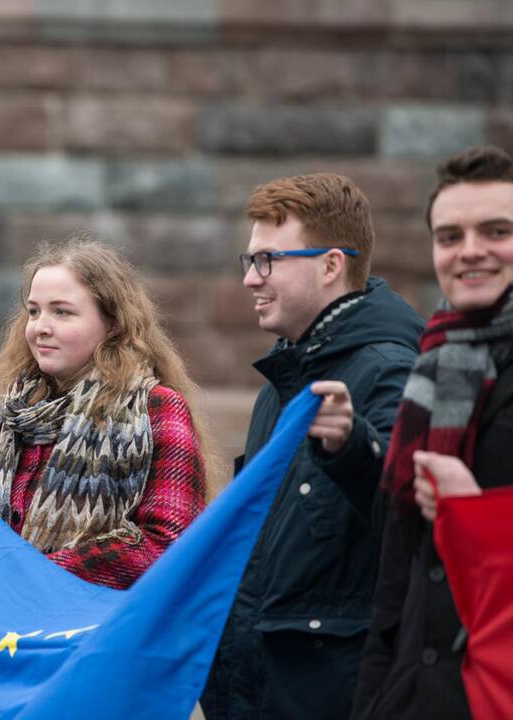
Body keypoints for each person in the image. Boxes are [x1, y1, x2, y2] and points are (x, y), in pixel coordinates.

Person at [201, 173, 424, 719]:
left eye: (269, 260)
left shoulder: (392, 371)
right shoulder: (281, 383)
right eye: (249, 260)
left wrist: (353, 446)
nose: (252, 279)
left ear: (330, 265)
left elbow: (411, 521)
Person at [0, 238, 214, 589]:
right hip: (9, 630)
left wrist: (34, 572)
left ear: (112, 323)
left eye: (62, 311)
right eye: (34, 311)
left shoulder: (157, 408)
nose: (40, 327)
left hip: (102, 632)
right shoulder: (20, 413)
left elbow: (169, 544)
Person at [352, 146, 513, 719]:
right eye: (450, 236)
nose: (470, 251)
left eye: (496, 231)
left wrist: (471, 514)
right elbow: (396, 583)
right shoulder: (434, 365)